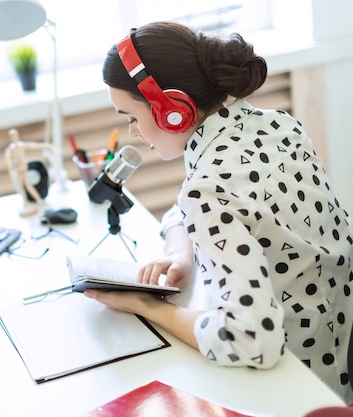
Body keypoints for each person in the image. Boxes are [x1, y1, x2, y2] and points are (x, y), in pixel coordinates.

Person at [84, 21, 353, 404]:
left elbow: (251, 339)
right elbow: (187, 211)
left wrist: (146, 307)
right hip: (338, 349)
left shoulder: (208, 186)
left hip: (300, 389)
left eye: (129, 116)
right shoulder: (277, 125)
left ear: (172, 111)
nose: (132, 132)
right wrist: (181, 254)